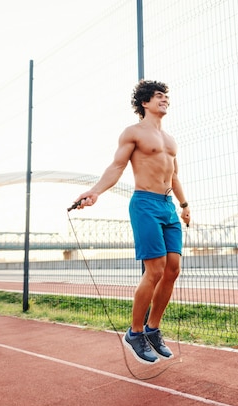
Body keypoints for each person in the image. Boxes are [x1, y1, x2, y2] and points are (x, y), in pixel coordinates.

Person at [72, 80, 191, 364]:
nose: (165, 100)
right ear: (145, 103)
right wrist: (95, 192)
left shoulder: (171, 140)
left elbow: (173, 176)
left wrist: (184, 205)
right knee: (155, 270)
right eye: (159, 96)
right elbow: (116, 166)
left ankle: (153, 329)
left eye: (166, 97)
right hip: (145, 203)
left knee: (173, 270)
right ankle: (135, 332)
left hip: (168, 207)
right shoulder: (133, 133)